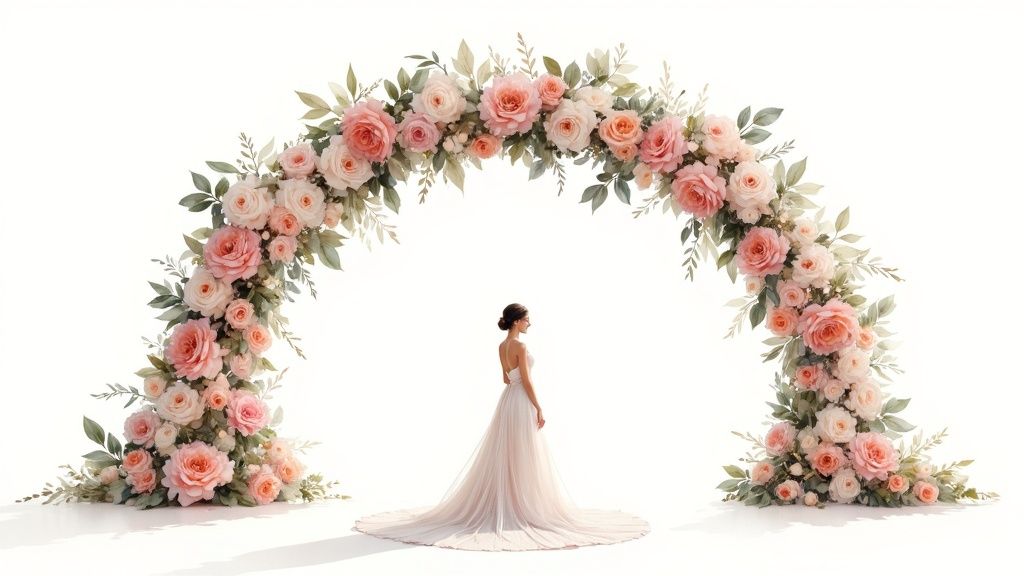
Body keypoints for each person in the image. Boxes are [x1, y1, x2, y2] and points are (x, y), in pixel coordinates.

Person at [353, 303, 650, 551]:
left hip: (507, 401)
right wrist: (538, 406)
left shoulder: (501, 346)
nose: (530, 323)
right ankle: (523, 506)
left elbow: (505, 379)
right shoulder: (520, 345)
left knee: (508, 452)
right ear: (518, 321)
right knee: (524, 453)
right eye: (528, 319)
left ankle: (512, 501)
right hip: (520, 402)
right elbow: (526, 380)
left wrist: (521, 391)